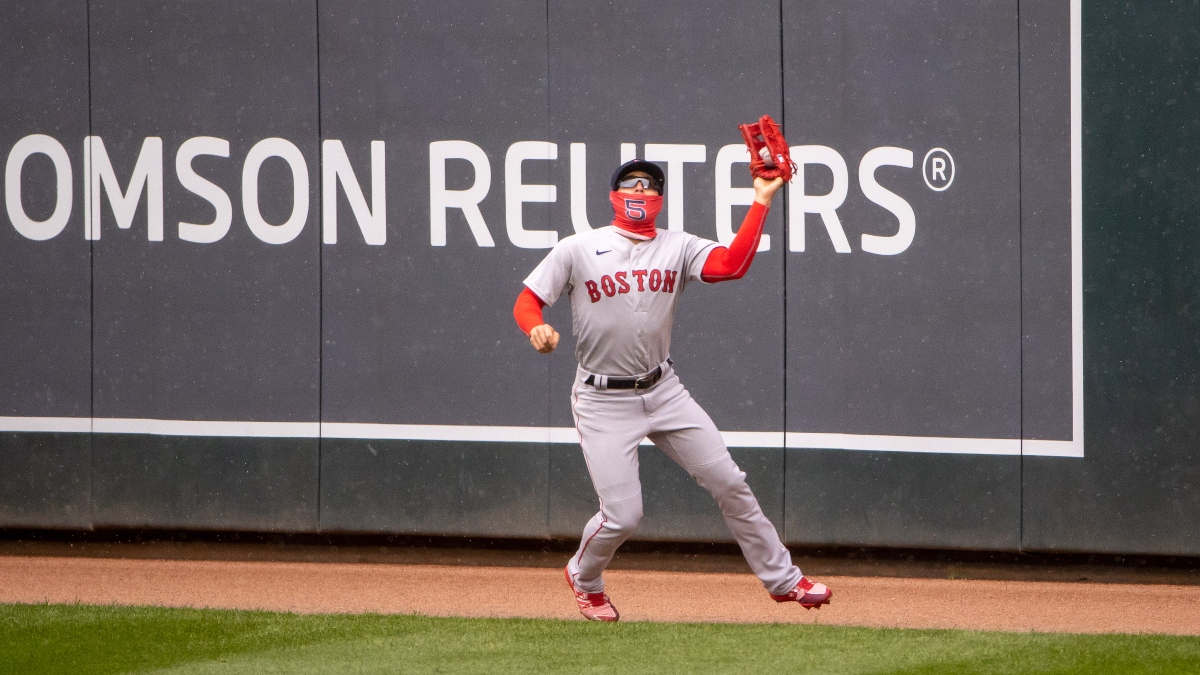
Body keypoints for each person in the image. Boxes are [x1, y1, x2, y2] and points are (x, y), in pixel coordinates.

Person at [513, 158, 832, 622]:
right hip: (603, 400)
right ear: (612, 194)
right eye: (629, 182)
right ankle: (584, 577)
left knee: (730, 483)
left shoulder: (678, 246)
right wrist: (535, 327)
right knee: (623, 516)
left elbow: (731, 265)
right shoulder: (578, 249)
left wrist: (761, 200)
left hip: (664, 391)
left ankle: (784, 581)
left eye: (649, 184)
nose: (639, 190)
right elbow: (528, 300)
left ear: (660, 198)